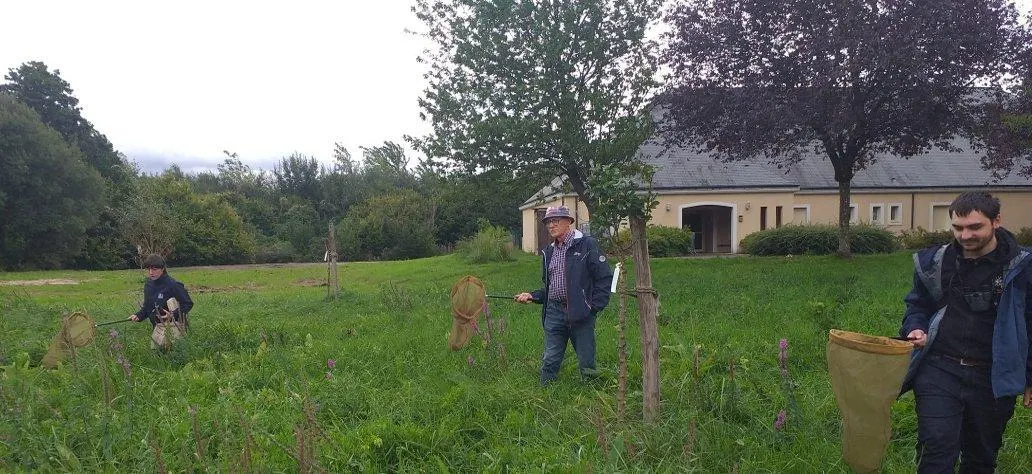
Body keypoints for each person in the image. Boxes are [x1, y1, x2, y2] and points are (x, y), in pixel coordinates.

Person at [899, 191, 1032, 472]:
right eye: (958, 228)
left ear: (996, 221)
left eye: (974, 227)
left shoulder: (1023, 267)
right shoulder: (937, 262)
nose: (965, 235)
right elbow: (917, 305)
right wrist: (916, 327)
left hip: (994, 376)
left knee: (981, 458)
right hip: (939, 369)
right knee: (936, 450)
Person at [516, 206, 613, 385]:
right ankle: (546, 390)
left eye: (555, 221)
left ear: (568, 221)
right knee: (550, 358)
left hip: (581, 311)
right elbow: (550, 286)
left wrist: (593, 307)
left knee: (586, 360)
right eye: (548, 222)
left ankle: (591, 393)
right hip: (554, 312)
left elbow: (604, 277)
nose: (550, 225)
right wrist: (532, 295)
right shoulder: (549, 251)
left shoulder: (587, 245)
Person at [128, 254, 193, 330]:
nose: (151, 272)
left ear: (162, 269)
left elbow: (187, 304)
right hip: (157, 328)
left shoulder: (173, 285)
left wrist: (172, 315)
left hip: (175, 328)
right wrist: (138, 315)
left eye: (154, 269)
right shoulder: (148, 284)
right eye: (148, 269)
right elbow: (148, 307)